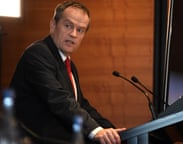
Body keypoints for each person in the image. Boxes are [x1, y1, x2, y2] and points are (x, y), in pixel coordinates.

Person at [9, 1, 126, 144]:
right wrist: (96, 131)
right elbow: (60, 100)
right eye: (68, 26)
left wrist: (113, 132)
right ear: (53, 25)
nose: (73, 34)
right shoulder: (37, 54)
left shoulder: (68, 64)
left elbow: (81, 104)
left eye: (80, 30)